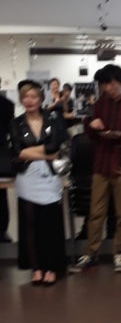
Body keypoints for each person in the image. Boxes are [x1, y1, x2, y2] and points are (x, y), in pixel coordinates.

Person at [70, 64, 121, 274]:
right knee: (96, 212)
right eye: (103, 84)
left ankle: (120, 252)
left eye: (110, 83)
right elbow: (91, 133)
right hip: (101, 164)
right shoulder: (100, 104)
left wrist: (120, 136)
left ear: (120, 82)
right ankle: (90, 253)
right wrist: (91, 126)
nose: (107, 88)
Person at [9, 81, 67, 285]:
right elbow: (18, 152)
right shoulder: (16, 123)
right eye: (25, 97)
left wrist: (32, 152)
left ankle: (51, 267)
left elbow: (56, 147)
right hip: (27, 179)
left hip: (49, 178)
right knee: (30, 225)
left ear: (41, 98)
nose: (29, 100)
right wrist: (46, 153)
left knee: (50, 224)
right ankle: (36, 268)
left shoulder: (53, 119)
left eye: (33, 96)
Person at [0, 77, 15, 242]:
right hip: (2, 151)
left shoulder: (7, 104)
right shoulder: (7, 104)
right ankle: (2, 230)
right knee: (1, 194)